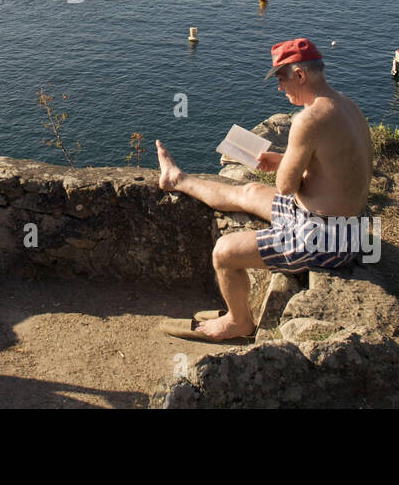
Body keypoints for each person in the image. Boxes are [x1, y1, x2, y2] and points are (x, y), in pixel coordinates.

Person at [155, 38, 372, 342]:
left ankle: (238, 322)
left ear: (300, 74)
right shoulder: (348, 106)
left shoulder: (308, 119)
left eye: (281, 78)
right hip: (351, 226)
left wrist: (285, 168)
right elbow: (337, 168)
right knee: (249, 191)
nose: (280, 87)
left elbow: (286, 187)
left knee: (224, 252)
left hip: (325, 237)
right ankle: (177, 178)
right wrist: (285, 160)